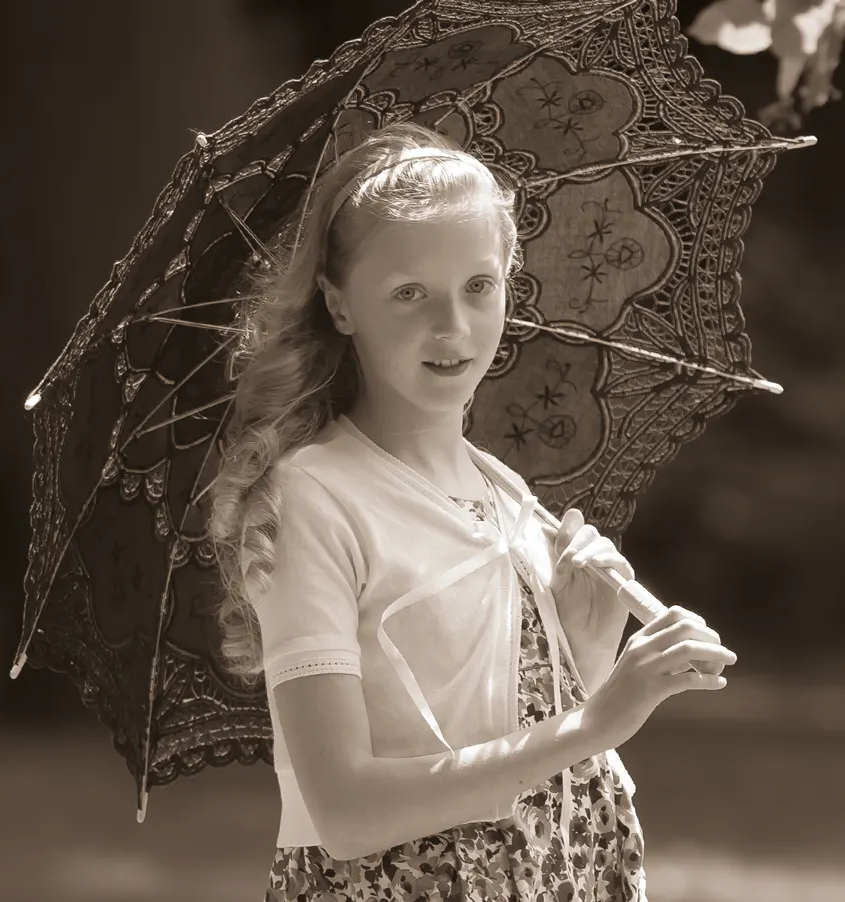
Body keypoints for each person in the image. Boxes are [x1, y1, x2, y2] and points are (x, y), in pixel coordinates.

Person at [207, 121, 737, 902]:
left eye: (478, 287)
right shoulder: (312, 499)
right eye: (409, 294)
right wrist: (595, 724)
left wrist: (584, 660)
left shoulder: (508, 495)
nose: (452, 327)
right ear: (339, 305)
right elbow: (345, 814)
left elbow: (503, 746)